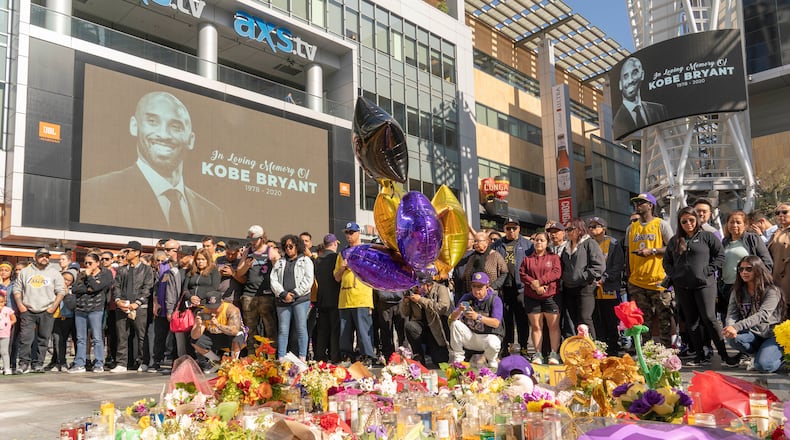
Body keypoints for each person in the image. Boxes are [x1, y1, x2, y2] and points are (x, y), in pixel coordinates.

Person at [81, 91, 225, 234]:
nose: (164, 134)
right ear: (134, 126)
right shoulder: (96, 192)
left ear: (191, 140)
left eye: (176, 126)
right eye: (152, 122)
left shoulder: (213, 215)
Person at [664, 207, 737, 367]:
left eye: (691, 220)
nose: (688, 223)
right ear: (680, 223)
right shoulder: (675, 240)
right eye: (684, 221)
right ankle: (699, 356)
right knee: (691, 321)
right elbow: (667, 261)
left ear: (696, 219)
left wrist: (708, 271)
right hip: (683, 286)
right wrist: (674, 274)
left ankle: (724, 356)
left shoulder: (707, 236)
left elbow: (720, 256)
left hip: (705, 285)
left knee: (709, 318)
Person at [626, 192, 674, 348]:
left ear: (650, 205)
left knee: (664, 318)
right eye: (637, 202)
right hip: (637, 282)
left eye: (642, 202)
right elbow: (627, 254)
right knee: (642, 320)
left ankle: (666, 350)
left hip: (658, 281)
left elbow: (672, 248)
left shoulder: (661, 224)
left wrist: (653, 251)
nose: (638, 205)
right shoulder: (631, 228)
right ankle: (646, 350)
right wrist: (628, 277)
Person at [723, 255, 786, 372]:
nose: (744, 272)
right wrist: (730, 327)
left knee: (763, 366)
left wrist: (736, 327)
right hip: (753, 333)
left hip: (772, 334)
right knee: (732, 338)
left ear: (758, 269)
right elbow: (732, 314)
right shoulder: (737, 291)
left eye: (748, 269)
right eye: (741, 269)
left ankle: (782, 357)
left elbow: (763, 315)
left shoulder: (772, 290)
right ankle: (757, 354)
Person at [12, 248, 66, 374]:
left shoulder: (54, 273)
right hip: (28, 310)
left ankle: (38, 364)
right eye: (42, 256)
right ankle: (24, 363)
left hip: (46, 310)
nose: (44, 258)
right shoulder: (25, 272)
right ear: (35, 257)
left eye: (47, 256)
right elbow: (17, 289)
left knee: (44, 338)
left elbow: (61, 291)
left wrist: (53, 307)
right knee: (26, 338)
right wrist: (20, 305)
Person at [334, 222, 377, 364]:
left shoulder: (366, 251)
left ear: (358, 233)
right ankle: (346, 355)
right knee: (345, 330)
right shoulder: (342, 253)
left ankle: (367, 356)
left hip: (361, 296)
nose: (348, 235)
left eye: (351, 232)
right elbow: (336, 277)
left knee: (363, 330)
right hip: (345, 298)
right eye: (346, 232)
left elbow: (372, 273)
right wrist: (342, 267)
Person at [490, 217, 534, 354]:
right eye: (508, 228)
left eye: (514, 228)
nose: (511, 231)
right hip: (503, 287)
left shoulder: (527, 244)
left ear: (519, 229)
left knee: (522, 318)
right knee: (505, 318)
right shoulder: (497, 245)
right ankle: (507, 346)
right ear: (504, 230)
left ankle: (524, 346)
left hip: (521, 287)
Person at [111, 241, 154, 373]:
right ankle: (122, 363)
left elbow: (148, 288)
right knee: (122, 335)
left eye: (128, 251)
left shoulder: (146, 270)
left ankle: (143, 361)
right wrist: (118, 301)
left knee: (141, 335)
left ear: (137, 252)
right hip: (123, 305)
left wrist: (137, 303)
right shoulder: (122, 269)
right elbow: (116, 286)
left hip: (140, 307)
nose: (126, 254)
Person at [519, 232, 562, 365]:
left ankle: (554, 354)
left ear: (547, 243)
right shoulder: (528, 259)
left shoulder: (554, 257)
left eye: (542, 240)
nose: (538, 242)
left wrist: (541, 282)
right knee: (536, 326)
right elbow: (522, 274)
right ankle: (537, 353)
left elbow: (556, 273)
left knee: (553, 326)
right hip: (532, 296)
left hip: (550, 296)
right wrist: (535, 285)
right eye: (536, 240)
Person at [721, 210, 773, 318]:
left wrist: (759, 283)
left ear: (745, 225)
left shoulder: (752, 239)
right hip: (727, 287)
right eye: (731, 222)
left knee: (747, 320)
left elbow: (767, 263)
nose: (734, 225)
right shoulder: (724, 242)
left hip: (747, 287)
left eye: (738, 222)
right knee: (729, 319)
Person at [270, 234, 314, 360]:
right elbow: (273, 279)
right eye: (286, 246)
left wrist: (294, 294)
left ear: (297, 246)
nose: (288, 249)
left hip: (300, 299)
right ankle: (281, 358)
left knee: (301, 328)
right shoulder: (280, 262)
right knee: (283, 330)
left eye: (291, 246)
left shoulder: (306, 261)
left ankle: (302, 358)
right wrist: (283, 294)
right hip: (283, 300)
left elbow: (308, 280)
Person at [237, 225, 280, 354]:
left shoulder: (270, 251)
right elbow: (239, 273)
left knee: (270, 328)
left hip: (266, 295)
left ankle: (271, 357)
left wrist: (274, 262)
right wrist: (246, 265)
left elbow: (279, 269)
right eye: (251, 239)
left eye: (255, 239)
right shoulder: (248, 251)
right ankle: (252, 357)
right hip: (249, 294)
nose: (252, 242)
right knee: (250, 328)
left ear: (262, 238)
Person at [560, 218, 605, 341]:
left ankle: (595, 349)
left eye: (571, 229)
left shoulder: (589, 243)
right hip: (569, 289)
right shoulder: (566, 247)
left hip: (585, 288)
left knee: (585, 319)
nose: (568, 232)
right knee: (575, 322)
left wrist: (582, 276)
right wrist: (566, 278)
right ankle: (581, 349)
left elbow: (599, 266)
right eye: (566, 229)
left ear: (579, 229)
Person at [448, 272, 504, 369]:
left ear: (487, 286)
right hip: (471, 336)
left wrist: (478, 317)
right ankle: (459, 358)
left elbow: (496, 323)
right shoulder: (467, 297)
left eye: (480, 287)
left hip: (487, 337)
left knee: (494, 342)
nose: (476, 290)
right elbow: (451, 318)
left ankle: (491, 360)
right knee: (455, 324)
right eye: (474, 286)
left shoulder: (494, 299)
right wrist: (459, 311)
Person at [588, 216, 626, 356]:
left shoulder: (613, 243)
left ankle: (613, 347)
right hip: (592, 289)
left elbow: (617, 265)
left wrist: (604, 278)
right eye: (590, 227)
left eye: (595, 226)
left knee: (611, 319)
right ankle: (600, 346)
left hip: (609, 288)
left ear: (603, 228)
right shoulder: (588, 243)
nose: (592, 229)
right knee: (596, 319)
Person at [70, 253, 113, 373]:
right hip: (80, 309)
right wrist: (88, 288)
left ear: (97, 263)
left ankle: (99, 363)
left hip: (96, 309)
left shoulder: (105, 274)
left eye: (90, 263)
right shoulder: (81, 274)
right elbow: (75, 289)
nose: (87, 265)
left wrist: (90, 279)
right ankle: (80, 363)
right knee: (81, 338)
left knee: (97, 337)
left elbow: (96, 287)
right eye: (86, 263)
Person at [612, 57, 668, 137]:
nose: (630, 80)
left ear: (642, 75)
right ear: (620, 85)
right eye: (625, 76)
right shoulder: (617, 122)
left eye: (634, 73)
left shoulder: (659, 110)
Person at [400, 280, 452, 367]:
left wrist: (421, 300)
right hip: (421, 327)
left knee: (440, 361)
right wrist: (405, 302)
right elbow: (405, 313)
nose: (416, 289)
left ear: (427, 285)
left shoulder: (440, 289)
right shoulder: (413, 292)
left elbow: (442, 308)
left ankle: (434, 352)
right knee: (410, 326)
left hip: (436, 330)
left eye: (418, 286)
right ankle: (418, 355)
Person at [190, 291, 244, 373]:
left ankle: (234, 363)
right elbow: (194, 336)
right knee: (195, 341)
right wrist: (198, 325)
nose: (213, 310)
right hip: (215, 337)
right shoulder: (204, 312)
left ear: (222, 303)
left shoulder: (231, 309)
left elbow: (235, 330)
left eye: (216, 307)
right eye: (210, 307)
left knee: (238, 335)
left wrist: (218, 325)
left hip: (230, 337)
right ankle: (218, 362)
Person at [150, 251, 180, 371]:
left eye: (163, 261)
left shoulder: (174, 270)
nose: (160, 263)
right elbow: (156, 288)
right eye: (158, 261)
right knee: (159, 336)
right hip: (161, 309)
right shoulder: (159, 272)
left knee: (173, 339)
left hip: (172, 309)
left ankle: (172, 363)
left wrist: (171, 309)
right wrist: (155, 302)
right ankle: (157, 361)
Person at [314, 234, 341, 362]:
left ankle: (320, 357)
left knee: (322, 330)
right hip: (335, 298)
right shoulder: (336, 258)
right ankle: (335, 357)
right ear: (335, 244)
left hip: (321, 298)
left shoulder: (317, 260)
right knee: (335, 330)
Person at [461, 231, 508, 299]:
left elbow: (504, 273)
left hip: (490, 295)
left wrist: (493, 287)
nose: (475, 243)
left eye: (478, 241)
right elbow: (465, 276)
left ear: (486, 242)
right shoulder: (472, 257)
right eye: (475, 241)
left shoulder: (495, 255)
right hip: (472, 295)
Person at [51, 269, 77, 372]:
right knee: (59, 341)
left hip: (71, 318)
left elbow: (72, 306)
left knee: (75, 339)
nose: (65, 282)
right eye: (63, 279)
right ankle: (61, 362)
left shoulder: (74, 290)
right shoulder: (53, 288)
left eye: (68, 280)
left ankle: (77, 362)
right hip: (57, 317)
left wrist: (67, 295)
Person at [768, 202, 790, 308]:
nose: (781, 215)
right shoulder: (776, 233)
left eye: (785, 212)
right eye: (778, 213)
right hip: (776, 280)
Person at [0, 291, 14, 374]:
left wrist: (8, 325)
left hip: (4, 334)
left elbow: (13, 319)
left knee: (4, 351)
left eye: (1, 302)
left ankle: (7, 368)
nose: (0, 304)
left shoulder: (8, 310)